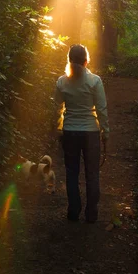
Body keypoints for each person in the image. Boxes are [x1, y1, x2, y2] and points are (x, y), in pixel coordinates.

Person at [54, 44, 110, 223]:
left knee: (71, 173)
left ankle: (73, 211)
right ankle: (91, 213)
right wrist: (105, 132)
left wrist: (58, 129)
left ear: (69, 60)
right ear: (86, 60)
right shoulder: (95, 81)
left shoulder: (62, 81)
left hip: (70, 132)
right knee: (92, 174)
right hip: (90, 133)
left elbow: (57, 108)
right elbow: (101, 109)